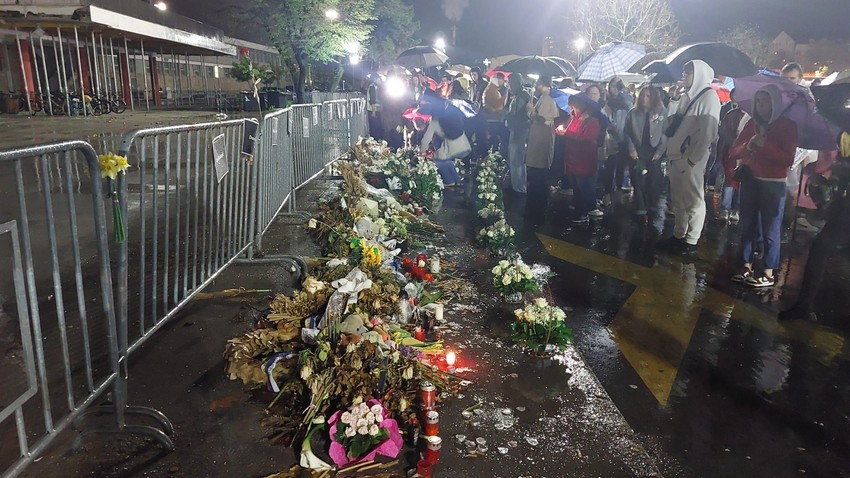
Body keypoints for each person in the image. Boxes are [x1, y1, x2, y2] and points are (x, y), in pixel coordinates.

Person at [728, 85, 797, 288]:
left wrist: (764, 145)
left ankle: (768, 272)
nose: (760, 105)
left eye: (765, 101)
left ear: (774, 103)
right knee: (747, 225)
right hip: (750, 180)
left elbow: (787, 159)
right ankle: (746, 265)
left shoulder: (787, 125)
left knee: (770, 229)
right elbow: (734, 151)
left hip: (773, 184)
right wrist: (749, 144)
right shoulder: (752, 123)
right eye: (757, 101)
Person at [779, 132, 850, 320]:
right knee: (820, 250)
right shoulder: (844, 136)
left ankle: (806, 305)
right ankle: (804, 305)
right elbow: (840, 171)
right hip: (843, 207)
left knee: (821, 250)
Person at [658, 60, 721, 255]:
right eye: (684, 73)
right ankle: (679, 235)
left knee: (694, 200)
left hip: (690, 159)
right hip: (675, 156)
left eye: (688, 73)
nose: (683, 76)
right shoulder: (685, 97)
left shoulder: (709, 97)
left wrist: (694, 159)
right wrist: (674, 100)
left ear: (699, 75)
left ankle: (691, 241)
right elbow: (668, 126)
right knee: (678, 199)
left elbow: (708, 133)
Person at [559, 92, 603, 224]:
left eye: (573, 107)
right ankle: (580, 208)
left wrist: (567, 134)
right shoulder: (573, 118)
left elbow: (587, 139)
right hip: (573, 158)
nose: (572, 109)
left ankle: (587, 209)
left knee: (584, 184)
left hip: (584, 159)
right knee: (577, 185)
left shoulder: (592, 121)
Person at [625, 86, 668, 219]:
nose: (644, 99)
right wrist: (631, 149)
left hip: (654, 149)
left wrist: (660, 151)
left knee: (654, 179)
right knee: (638, 178)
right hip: (638, 149)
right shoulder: (633, 112)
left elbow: (666, 133)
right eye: (643, 95)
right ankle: (640, 205)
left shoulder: (661, 112)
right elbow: (627, 133)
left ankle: (651, 203)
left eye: (648, 96)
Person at [524, 75, 559, 224]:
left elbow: (542, 119)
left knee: (539, 176)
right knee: (536, 175)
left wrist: (531, 111)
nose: (536, 85)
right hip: (537, 140)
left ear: (542, 84)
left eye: (537, 82)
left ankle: (537, 208)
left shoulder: (546, 100)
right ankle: (535, 206)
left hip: (541, 142)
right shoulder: (543, 98)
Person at [418, 91, 469, 187]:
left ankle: (450, 181)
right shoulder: (448, 108)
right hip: (463, 142)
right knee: (446, 158)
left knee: (438, 159)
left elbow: (426, 139)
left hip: (454, 144)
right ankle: (457, 180)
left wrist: (422, 153)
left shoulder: (436, 119)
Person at [715, 88, 750, 222]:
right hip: (730, 153)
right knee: (729, 181)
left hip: (745, 155)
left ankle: (736, 208)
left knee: (741, 183)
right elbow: (722, 132)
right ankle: (725, 208)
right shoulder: (731, 114)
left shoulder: (752, 117)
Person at [505, 73, 531, 194]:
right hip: (516, 130)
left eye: (509, 82)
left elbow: (517, 116)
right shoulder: (518, 95)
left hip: (519, 131)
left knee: (517, 159)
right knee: (515, 158)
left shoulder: (522, 95)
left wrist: (508, 116)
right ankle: (517, 184)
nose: (508, 85)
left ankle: (519, 187)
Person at [482, 72, 510, 157]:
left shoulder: (493, 89)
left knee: (496, 140)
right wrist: (505, 96)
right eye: (502, 79)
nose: (503, 82)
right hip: (493, 120)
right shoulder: (491, 90)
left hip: (495, 119)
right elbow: (497, 104)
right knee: (495, 140)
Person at [366, 73, 385, 141]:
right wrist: (373, 111)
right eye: (378, 78)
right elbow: (372, 100)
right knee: (374, 128)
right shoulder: (372, 87)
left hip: (376, 110)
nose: (380, 80)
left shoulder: (376, 87)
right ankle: (375, 141)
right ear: (374, 79)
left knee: (377, 127)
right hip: (373, 111)